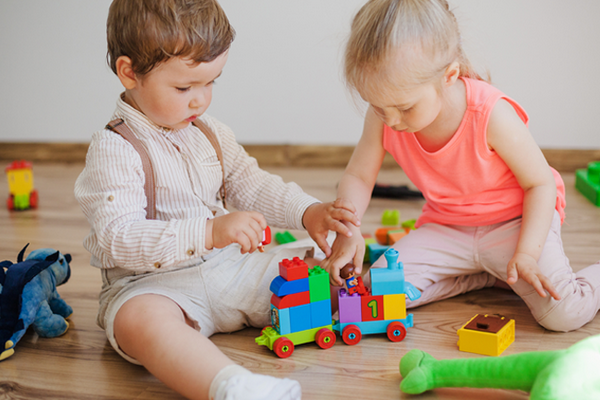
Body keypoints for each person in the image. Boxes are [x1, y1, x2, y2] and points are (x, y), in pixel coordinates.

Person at [74, 1, 359, 399]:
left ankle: (400, 281)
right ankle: (230, 385)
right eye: (184, 87)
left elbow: (251, 183)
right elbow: (118, 238)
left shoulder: (208, 132)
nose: (200, 100)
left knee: (323, 273)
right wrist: (208, 231)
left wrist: (307, 211)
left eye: (212, 82)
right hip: (154, 286)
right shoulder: (114, 148)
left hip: (229, 268)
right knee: (141, 322)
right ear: (129, 72)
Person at [322, 0, 600, 333]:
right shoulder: (385, 114)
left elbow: (539, 185)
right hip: (447, 227)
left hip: (515, 224)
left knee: (563, 313)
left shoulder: (490, 114)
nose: (392, 121)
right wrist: (349, 231)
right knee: (375, 294)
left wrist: (526, 253)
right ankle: (483, 275)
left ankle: (502, 271)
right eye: (380, 108)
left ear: (449, 76)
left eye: (404, 108)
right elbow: (358, 175)